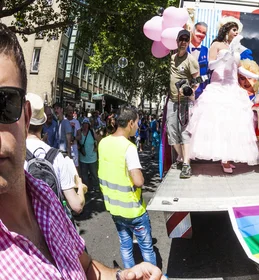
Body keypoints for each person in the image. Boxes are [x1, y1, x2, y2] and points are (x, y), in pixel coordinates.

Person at [0, 24, 165, 280]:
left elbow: (86, 268)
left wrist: (122, 276)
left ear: (26, 117)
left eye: (3, 103)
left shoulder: (45, 196)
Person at [187, 19, 259, 173]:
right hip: (218, 87)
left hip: (233, 88)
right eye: (234, 30)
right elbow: (210, 66)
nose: (236, 33)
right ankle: (222, 160)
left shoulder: (235, 49)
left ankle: (227, 159)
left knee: (233, 125)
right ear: (227, 30)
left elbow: (240, 70)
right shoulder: (216, 45)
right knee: (218, 124)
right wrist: (223, 57)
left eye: (237, 31)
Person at [98, 105, 158, 269]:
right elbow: (138, 181)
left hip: (114, 208)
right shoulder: (128, 148)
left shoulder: (103, 142)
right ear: (130, 123)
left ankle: (130, 275)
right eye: (137, 123)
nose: (138, 126)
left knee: (126, 246)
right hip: (133, 210)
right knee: (146, 249)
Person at [25, 93, 86, 215]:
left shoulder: (10, 154)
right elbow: (77, 206)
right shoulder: (58, 157)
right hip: (49, 227)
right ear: (42, 123)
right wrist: (79, 186)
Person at [166, 29, 200, 179]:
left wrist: (188, 90)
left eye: (186, 40)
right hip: (172, 101)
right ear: (177, 41)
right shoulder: (172, 58)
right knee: (172, 134)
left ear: (188, 42)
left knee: (184, 133)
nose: (183, 42)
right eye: (181, 39)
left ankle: (186, 165)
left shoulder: (191, 59)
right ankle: (182, 158)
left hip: (185, 102)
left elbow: (197, 80)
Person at [188, 21, 209, 99]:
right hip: (182, 92)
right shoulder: (183, 49)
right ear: (193, 31)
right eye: (198, 31)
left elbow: (208, 75)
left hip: (200, 95)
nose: (201, 34)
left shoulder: (207, 51)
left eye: (203, 33)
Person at [79, 118, 99, 193]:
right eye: (84, 124)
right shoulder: (79, 133)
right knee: (84, 176)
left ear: (89, 125)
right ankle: (86, 188)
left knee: (94, 174)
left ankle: (96, 187)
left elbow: (99, 139)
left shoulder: (92, 132)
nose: (85, 126)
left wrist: (96, 148)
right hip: (83, 158)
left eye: (87, 124)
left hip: (92, 158)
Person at [65, 105, 82, 173]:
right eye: (69, 110)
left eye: (71, 110)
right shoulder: (64, 121)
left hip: (74, 147)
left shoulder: (76, 122)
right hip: (65, 147)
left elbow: (80, 136)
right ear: (66, 111)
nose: (70, 111)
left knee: (75, 167)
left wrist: (74, 138)